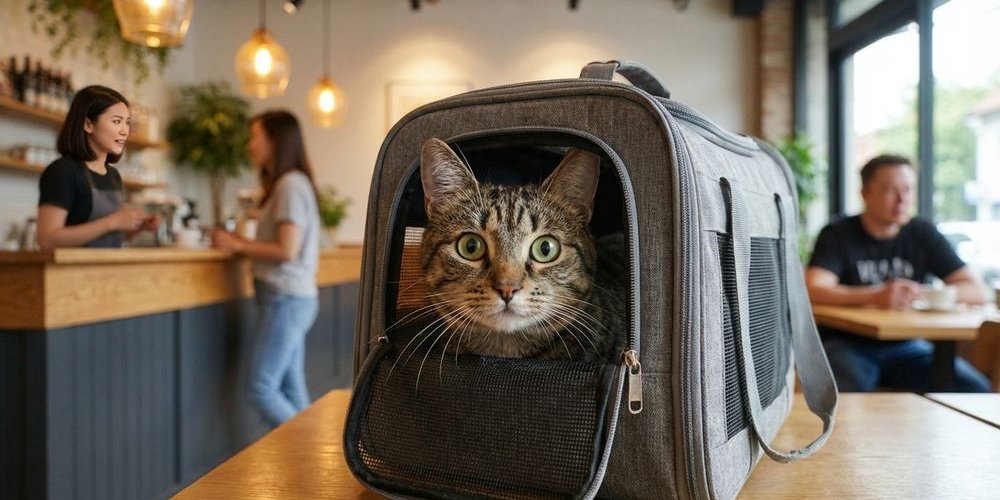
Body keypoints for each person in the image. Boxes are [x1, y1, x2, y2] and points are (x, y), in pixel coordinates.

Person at [805, 154, 990, 392]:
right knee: (847, 395)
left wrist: (921, 294)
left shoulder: (922, 232)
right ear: (865, 193)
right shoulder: (838, 233)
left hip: (906, 345)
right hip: (847, 342)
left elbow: (976, 291)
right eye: (891, 190)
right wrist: (876, 296)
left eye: (908, 190)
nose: (902, 200)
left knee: (974, 388)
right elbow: (814, 289)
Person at [212, 110, 322, 427]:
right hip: (289, 298)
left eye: (255, 136)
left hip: (285, 299)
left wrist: (237, 247)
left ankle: (309, 450)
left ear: (276, 141)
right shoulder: (292, 183)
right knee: (290, 387)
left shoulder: (289, 185)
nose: (250, 144)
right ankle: (315, 453)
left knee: (261, 389)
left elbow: (286, 250)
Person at [36, 85, 155, 249]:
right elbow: (47, 239)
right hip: (73, 266)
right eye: (116, 121)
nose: (125, 131)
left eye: (127, 123)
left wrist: (137, 227)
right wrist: (112, 222)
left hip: (106, 265)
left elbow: (107, 237)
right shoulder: (62, 171)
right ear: (88, 124)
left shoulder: (113, 176)